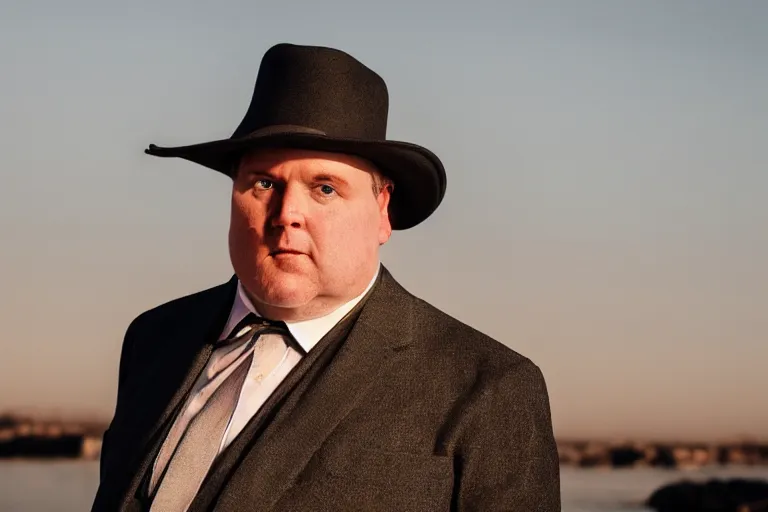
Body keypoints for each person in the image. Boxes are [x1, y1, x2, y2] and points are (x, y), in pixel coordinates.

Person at [91, 43, 560, 512]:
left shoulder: (489, 388)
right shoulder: (154, 339)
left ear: (382, 211)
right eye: (264, 184)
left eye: (325, 188)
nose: (287, 214)